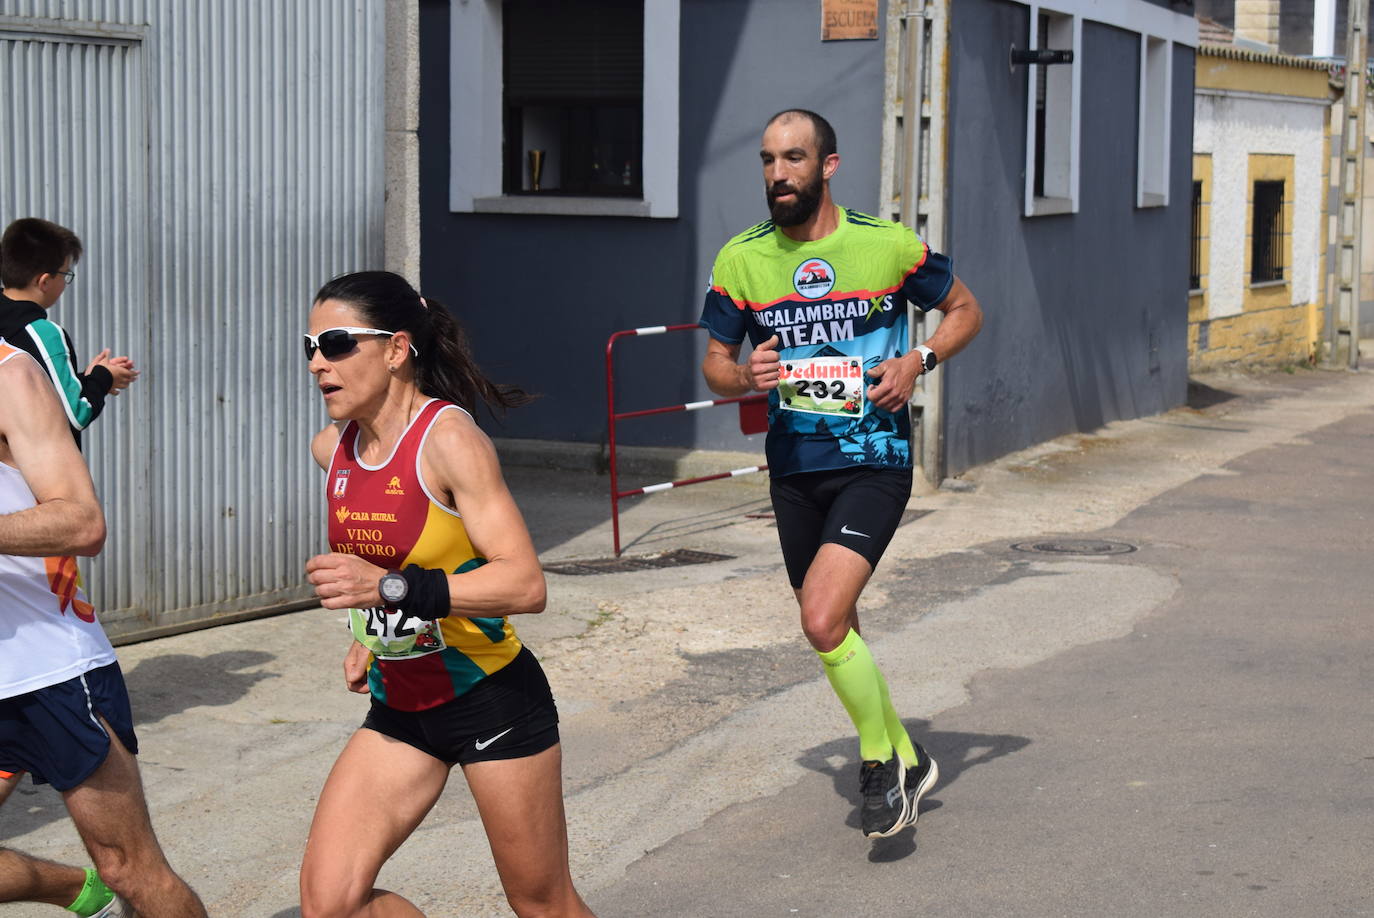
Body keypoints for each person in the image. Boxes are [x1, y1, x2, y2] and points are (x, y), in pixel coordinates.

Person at [699, 109, 984, 839]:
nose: (777, 174)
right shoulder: (742, 259)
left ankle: (878, 764)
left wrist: (918, 360)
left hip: (874, 457)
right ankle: (907, 756)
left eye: (793, 158)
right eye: (767, 160)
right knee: (837, 625)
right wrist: (742, 372)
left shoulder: (886, 246)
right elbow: (716, 364)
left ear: (827, 165)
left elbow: (964, 310)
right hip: (794, 467)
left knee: (821, 615)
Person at [299, 271, 596, 918]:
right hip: (401, 707)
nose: (318, 362)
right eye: (310, 346)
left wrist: (387, 589)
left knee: (543, 904)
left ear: (397, 349)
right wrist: (368, 638)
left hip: (489, 700)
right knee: (331, 903)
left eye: (338, 343)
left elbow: (524, 582)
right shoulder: (334, 450)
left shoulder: (449, 441)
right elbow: (388, 560)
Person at [0, 339, 206, 917]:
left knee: (131, 870)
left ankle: (92, 887)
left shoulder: (11, 374)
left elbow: (83, 520)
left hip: (45, 671)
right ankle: (69, 889)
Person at [0, 218, 138, 449]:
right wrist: (103, 377)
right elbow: (74, 415)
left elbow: (33, 397)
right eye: (65, 275)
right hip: (30, 478)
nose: (65, 283)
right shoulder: (44, 333)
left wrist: (86, 380)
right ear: (44, 281)